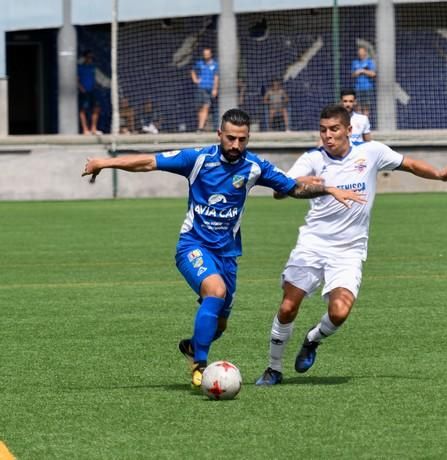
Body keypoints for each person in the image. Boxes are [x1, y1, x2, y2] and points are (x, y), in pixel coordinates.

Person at [81, 108, 364, 388]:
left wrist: (326, 189)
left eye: (242, 139)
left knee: (219, 325)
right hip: (192, 245)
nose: (235, 145)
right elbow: (148, 162)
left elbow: (293, 188)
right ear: (219, 134)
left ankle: (193, 346)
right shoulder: (198, 159)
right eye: (230, 138)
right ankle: (200, 367)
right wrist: (105, 162)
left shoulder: (254, 167)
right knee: (214, 292)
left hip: (228, 255)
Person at [255, 104, 447, 385]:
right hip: (313, 244)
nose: (328, 136)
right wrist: (299, 182)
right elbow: (281, 191)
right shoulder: (312, 159)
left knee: (339, 312)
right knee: (289, 306)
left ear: (349, 130)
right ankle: (273, 368)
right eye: (323, 130)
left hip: (349, 250)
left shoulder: (370, 153)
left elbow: (409, 164)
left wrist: (438, 175)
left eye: (334, 129)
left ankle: (313, 339)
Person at [191, 47, 219, 132]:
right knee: (201, 108)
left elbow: (216, 77)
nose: (206, 55)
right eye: (204, 54)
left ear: (210, 54)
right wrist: (195, 79)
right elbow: (192, 71)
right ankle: (201, 126)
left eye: (207, 54)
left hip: (209, 89)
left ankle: (201, 127)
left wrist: (215, 89)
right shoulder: (199, 63)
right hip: (201, 88)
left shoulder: (215, 64)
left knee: (206, 107)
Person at [78, 50, 102, 135]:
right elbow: (76, 79)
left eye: (92, 58)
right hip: (84, 91)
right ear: (85, 58)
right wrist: (81, 88)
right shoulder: (80, 67)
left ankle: (93, 128)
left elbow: (95, 79)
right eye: (89, 57)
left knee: (97, 108)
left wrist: (96, 86)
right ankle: (85, 129)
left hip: (92, 91)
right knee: (83, 110)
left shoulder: (92, 68)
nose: (90, 59)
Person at [351, 46, 377, 116]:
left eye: (362, 53)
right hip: (358, 88)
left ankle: (365, 121)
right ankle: (359, 122)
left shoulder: (370, 62)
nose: (360, 54)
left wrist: (363, 71)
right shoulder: (355, 62)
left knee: (366, 106)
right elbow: (352, 75)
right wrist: (356, 73)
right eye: (359, 53)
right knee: (357, 105)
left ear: (365, 53)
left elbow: (373, 74)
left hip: (367, 88)